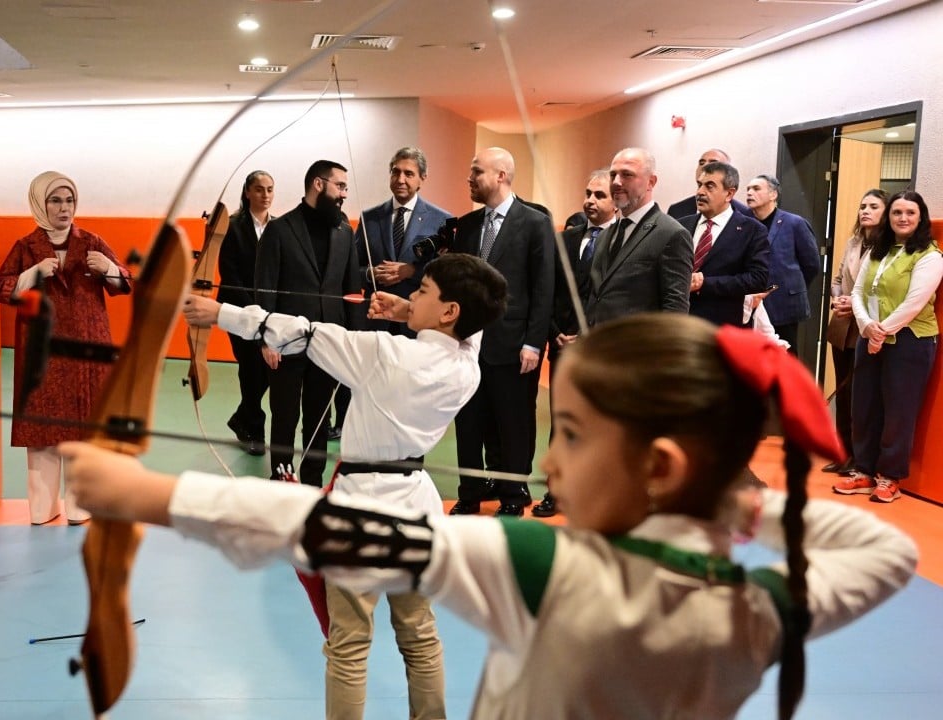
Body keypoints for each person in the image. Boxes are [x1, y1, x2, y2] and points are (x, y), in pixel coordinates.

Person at [59, 312, 917, 720]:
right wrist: (745, 503)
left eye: (570, 436)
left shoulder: (549, 571)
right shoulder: (753, 604)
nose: (545, 462)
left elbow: (321, 531)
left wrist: (149, 497)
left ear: (658, 467)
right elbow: (882, 552)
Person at [182, 253, 507, 720]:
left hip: (360, 510)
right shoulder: (466, 369)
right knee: (419, 635)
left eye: (422, 291)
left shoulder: (382, 353)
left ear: (450, 311)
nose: (410, 296)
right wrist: (409, 312)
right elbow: (471, 333)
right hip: (417, 508)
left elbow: (300, 331)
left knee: (349, 645)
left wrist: (220, 315)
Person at [0, 170, 131, 525]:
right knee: (43, 432)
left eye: (68, 200)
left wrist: (110, 268)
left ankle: (81, 502)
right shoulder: (25, 247)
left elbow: (125, 283)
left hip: (86, 349)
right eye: (55, 200)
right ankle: (43, 503)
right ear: (40, 203)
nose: (63, 208)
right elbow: (0, 287)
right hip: (43, 352)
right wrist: (34, 273)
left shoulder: (92, 242)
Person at [450, 147, 555, 517]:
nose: (470, 179)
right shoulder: (467, 226)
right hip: (469, 346)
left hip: (513, 346)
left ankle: (513, 493)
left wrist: (533, 343)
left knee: (512, 422)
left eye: (476, 172)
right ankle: (470, 491)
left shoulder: (534, 223)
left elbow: (543, 289)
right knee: (469, 423)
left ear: (500, 176)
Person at [255, 160, 363, 486]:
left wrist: (353, 341)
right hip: (285, 342)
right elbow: (265, 288)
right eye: (340, 186)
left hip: (328, 342)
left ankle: (313, 482)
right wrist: (265, 339)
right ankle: (281, 479)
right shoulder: (280, 230)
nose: (345, 193)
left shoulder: (345, 231)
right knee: (285, 416)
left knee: (319, 418)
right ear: (319, 184)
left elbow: (352, 290)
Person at [835, 190, 942, 503]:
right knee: (864, 406)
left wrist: (881, 331)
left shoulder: (930, 256)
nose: (903, 218)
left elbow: (914, 302)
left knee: (899, 411)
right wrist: (867, 326)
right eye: (897, 213)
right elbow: (856, 292)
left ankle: (890, 477)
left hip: (910, 341)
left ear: (920, 217)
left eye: (910, 213)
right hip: (870, 335)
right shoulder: (878, 251)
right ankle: (864, 471)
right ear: (889, 218)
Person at [537, 169, 615, 517]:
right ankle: (557, 491)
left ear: (615, 201)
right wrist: (555, 331)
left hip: (601, 348)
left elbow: (614, 299)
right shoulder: (566, 240)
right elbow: (549, 292)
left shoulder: (622, 242)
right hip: (562, 345)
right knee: (562, 419)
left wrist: (588, 333)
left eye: (600, 195)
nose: (590, 201)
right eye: (588, 193)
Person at [586, 147, 693, 326]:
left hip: (638, 349)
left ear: (651, 182)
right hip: (597, 347)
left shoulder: (671, 234)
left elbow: (675, 312)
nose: (617, 182)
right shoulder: (605, 235)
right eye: (613, 175)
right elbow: (597, 296)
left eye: (627, 175)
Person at [355, 147, 453, 337]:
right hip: (376, 321)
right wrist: (370, 273)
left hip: (419, 325)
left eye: (408, 174)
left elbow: (448, 276)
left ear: (422, 178)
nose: (400, 179)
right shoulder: (369, 217)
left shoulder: (444, 220)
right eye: (396, 172)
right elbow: (351, 267)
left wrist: (412, 271)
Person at [823, 189, 888, 474]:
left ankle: (862, 458)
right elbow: (837, 279)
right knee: (843, 392)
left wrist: (856, 302)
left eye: (873, 206)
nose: (865, 211)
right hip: (841, 326)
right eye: (863, 206)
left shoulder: (888, 247)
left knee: (862, 395)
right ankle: (843, 453)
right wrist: (838, 297)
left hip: (867, 325)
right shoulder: (853, 242)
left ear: (885, 212)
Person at [218, 170, 275, 456]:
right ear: (247, 192)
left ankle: (242, 417)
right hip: (237, 311)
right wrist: (253, 307)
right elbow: (229, 274)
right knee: (251, 368)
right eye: (259, 189)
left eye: (269, 190)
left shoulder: (279, 227)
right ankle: (253, 429)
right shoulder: (231, 226)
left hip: (270, 314)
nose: (265, 195)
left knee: (267, 371)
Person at [677, 161, 771, 327]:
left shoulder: (752, 230)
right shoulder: (680, 225)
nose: (700, 192)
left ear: (729, 194)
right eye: (699, 185)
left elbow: (757, 279)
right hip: (679, 321)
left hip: (721, 325)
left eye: (709, 186)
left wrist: (705, 284)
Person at [743, 174, 822, 351]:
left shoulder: (794, 223)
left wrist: (790, 286)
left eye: (756, 189)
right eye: (748, 189)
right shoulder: (743, 222)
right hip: (750, 303)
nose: (749, 193)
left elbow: (811, 264)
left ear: (773, 194)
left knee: (785, 355)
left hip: (784, 303)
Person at [666, 148, 751, 219]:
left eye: (713, 163)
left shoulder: (745, 214)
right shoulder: (676, 210)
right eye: (702, 163)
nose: (705, 167)